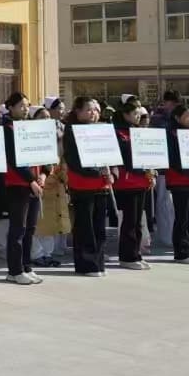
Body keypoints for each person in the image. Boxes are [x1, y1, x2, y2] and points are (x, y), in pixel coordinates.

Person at [0, 93, 46, 285]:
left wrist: (44, 174)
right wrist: (31, 180)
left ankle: (26, 266)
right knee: (18, 228)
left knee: (30, 228)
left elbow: (43, 152)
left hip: (35, 183)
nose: (25, 109)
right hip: (17, 184)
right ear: (10, 108)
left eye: (27, 105)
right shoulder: (7, 129)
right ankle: (15, 270)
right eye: (21, 106)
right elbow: (14, 158)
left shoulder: (31, 128)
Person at [62, 96, 110, 277]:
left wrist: (112, 171)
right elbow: (74, 161)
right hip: (82, 184)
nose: (93, 113)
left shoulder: (102, 130)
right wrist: (96, 172)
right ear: (78, 111)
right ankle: (86, 264)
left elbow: (111, 155)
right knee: (85, 226)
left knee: (99, 226)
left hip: (101, 184)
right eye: (89, 109)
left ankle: (98, 262)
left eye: (96, 110)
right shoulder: (72, 131)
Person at [111, 97, 153, 270]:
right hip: (127, 182)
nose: (138, 117)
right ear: (125, 114)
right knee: (129, 221)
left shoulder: (138, 132)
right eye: (135, 113)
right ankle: (127, 256)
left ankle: (136, 253)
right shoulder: (119, 133)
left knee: (138, 222)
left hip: (141, 181)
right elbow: (125, 158)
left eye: (139, 114)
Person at [163, 104, 189, 264]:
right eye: (187, 116)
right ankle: (181, 252)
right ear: (177, 117)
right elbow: (174, 160)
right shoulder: (172, 135)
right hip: (179, 180)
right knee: (182, 218)